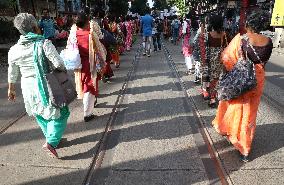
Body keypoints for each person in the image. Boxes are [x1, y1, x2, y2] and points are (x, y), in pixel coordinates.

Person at [212, 10, 273, 162]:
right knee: (250, 112)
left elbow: (226, 58)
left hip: (242, 79)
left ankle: (233, 134)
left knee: (237, 107)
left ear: (249, 24)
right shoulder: (268, 41)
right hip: (258, 79)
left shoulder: (242, 40)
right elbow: (263, 62)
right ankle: (246, 148)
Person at [8, 13, 70, 158]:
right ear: (36, 27)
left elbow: (12, 72)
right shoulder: (44, 44)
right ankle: (51, 142)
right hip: (47, 85)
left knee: (40, 113)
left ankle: (52, 137)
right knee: (61, 113)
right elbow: (59, 64)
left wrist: (11, 89)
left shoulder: (14, 50)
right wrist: (63, 71)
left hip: (28, 87)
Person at [69, 10, 105, 122]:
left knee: (84, 85)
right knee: (90, 87)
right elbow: (99, 49)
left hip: (78, 64)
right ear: (86, 22)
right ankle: (87, 113)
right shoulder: (90, 34)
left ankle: (88, 108)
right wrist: (103, 60)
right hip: (90, 64)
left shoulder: (73, 34)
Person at [203, 15, 227, 107]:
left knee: (213, 80)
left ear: (212, 23)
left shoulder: (208, 35)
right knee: (221, 79)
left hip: (211, 62)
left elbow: (203, 49)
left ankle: (212, 99)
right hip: (223, 61)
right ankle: (221, 97)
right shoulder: (225, 35)